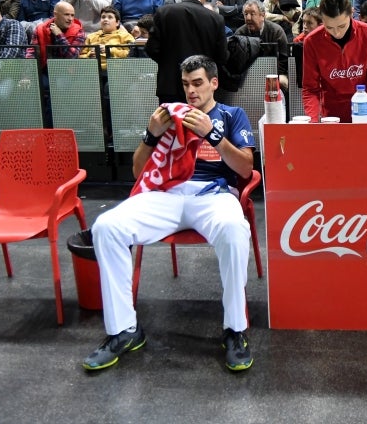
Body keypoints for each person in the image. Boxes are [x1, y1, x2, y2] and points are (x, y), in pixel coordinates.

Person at [83, 54, 256, 372]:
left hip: (213, 195)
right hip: (166, 194)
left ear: (214, 83)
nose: (191, 91)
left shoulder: (232, 114)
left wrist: (212, 135)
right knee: (106, 226)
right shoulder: (170, 118)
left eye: (198, 83)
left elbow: (246, 168)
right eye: (186, 84)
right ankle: (124, 330)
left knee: (234, 230)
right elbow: (139, 171)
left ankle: (235, 329)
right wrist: (151, 135)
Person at [302, 0, 367, 122]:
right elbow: (310, 89)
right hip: (331, 117)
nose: (337, 33)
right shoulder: (312, 41)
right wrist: (313, 122)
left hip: (364, 115)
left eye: (341, 26)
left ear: (352, 14)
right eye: (329, 27)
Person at [146, 0, 229, 103]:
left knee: (171, 123)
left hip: (170, 86)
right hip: (202, 88)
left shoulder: (163, 12)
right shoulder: (216, 19)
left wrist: (169, 63)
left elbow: (151, 48)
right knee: (199, 123)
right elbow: (221, 56)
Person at [234, 0, 290, 90]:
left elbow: (284, 58)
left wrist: (275, 74)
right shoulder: (239, 33)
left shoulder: (276, 31)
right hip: (248, 73)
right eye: (245, 14)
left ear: (262, 15)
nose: (248, 18)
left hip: (274, 72)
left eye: (252, 14)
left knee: (283, 81)